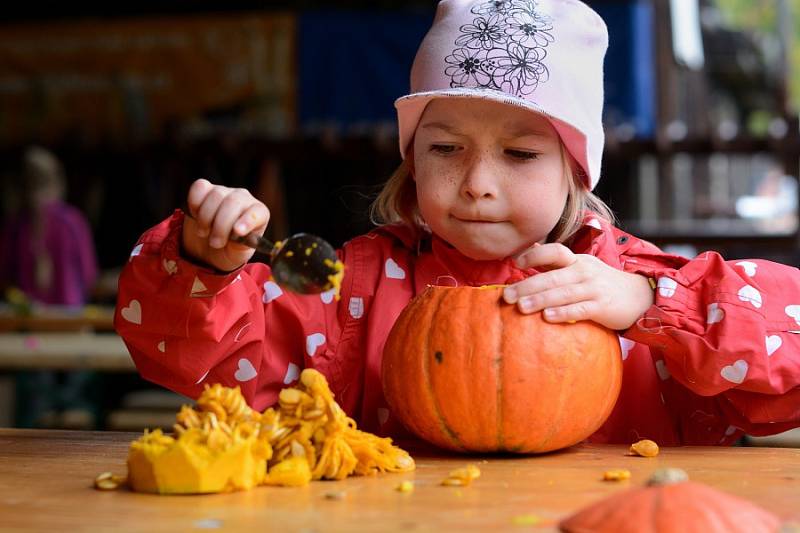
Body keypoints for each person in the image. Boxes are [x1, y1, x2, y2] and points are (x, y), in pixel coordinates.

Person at [115, 0, 800, 446]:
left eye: (521, 152)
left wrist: (658, 307)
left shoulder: (636, 287)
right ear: (411, 159)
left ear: (576, 171)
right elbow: (197, 362)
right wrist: (207, 266)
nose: (476, 183)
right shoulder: (348, 292)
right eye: (445, 148)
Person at [0, 145, 100, 428]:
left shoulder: (17, 225)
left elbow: (5, 277)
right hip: (73, 325)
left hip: (31, 328)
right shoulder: (72, 222)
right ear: (58, 180)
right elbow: (90, 277)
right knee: (80, 404)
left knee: (32, 412)